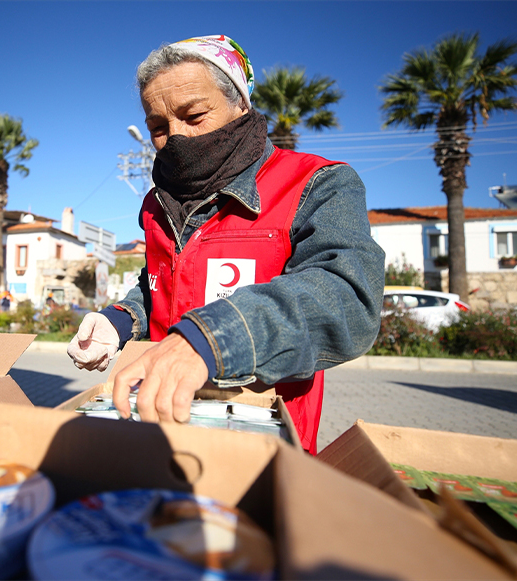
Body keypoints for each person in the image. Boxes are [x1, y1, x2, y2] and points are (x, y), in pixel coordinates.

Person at [67, 35, 385, 454]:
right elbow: (161, 282)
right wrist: (121, 319)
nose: (176, 138)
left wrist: (209, 340)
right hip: (158, 425)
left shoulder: (317, 184)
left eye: (194, 115)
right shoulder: (155, 203)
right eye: (158, 128)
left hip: (257, 437)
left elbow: (347, 296)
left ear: (240, 105)